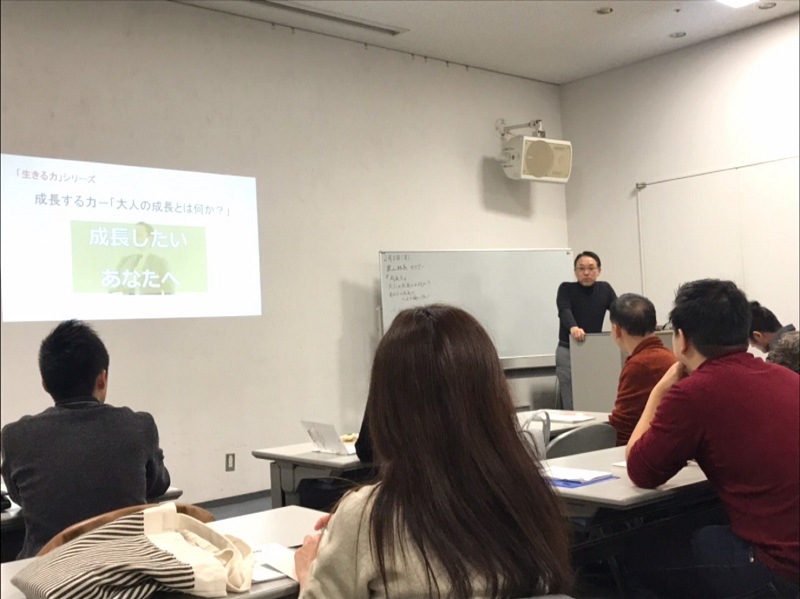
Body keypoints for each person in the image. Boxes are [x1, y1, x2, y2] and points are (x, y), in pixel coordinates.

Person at [294, 305, 573, 599]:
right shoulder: (530, 499)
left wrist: (310, 573)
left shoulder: (368, 519)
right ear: (492, 396)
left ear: (387, 406)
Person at [624, 280, 799, 598]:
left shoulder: (693, 393)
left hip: (777, 568)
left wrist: (659, 391)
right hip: (789, 554)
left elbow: (640, 469)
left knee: (635, 553)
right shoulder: (788, 378)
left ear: (682, 339)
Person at [1, 320, 171, 559]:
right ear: (102, 378)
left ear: (45, 384)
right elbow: (159, 484)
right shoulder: (138, 426)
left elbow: (19, 497)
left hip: (47, 573)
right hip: (126, 568)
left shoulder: (16, 437)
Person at [607, 293, 675, 446]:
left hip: (641, 448)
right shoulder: (668, 356)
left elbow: (623, 427)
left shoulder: (639, 365)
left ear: (616, 330)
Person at [555, 250, 617, 410]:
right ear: (575, 271)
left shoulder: (605, 289)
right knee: (570, 399)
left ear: (599, 270)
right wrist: (573, 327)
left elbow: (618, 311)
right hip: (568, 350)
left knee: (595, 394)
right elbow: (564, 310)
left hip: (594, 351)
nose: (586, 273)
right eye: (581, 268)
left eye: (591, 268)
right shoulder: (566, 289)